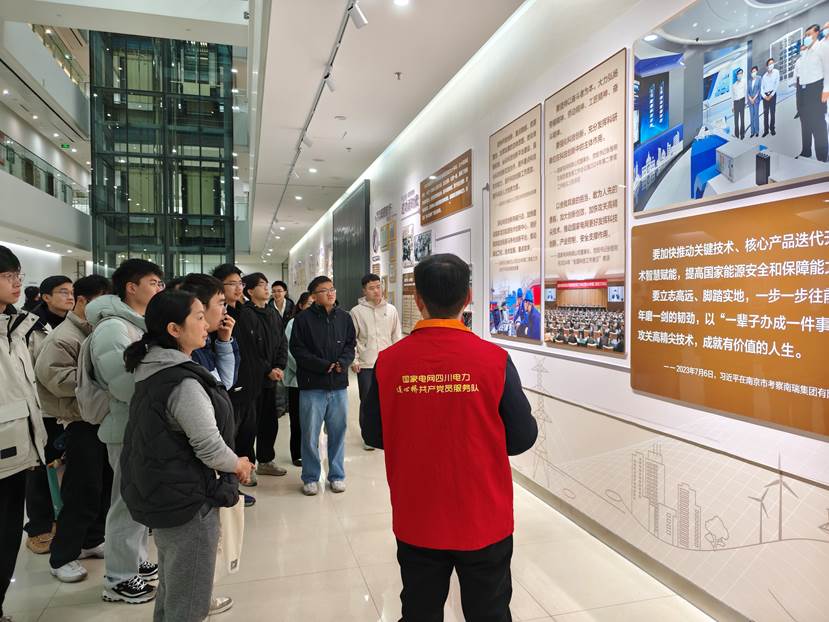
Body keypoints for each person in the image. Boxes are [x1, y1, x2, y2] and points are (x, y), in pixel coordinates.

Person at [361, 253, 537, 621]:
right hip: (483, 514)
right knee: (489, 612)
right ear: (468, 297)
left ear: (418, 300)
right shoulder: (494, 360)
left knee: (420, 611)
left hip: (417, 514)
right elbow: (523, 437)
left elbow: (373, 433)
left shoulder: (389, 362)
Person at [120, 290, 253, 622]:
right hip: (188, 499)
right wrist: (237, 463)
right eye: (199, 317)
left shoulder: (154, 367)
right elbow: (208, 446)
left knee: (173, 587)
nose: (206, 324)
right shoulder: (182, 382)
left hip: (165, 491)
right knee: (189, 599)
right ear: (174, 329)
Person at [87, 259, 164, 604]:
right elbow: (124, 385)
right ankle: (118, 578)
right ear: (131, 288)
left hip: (138, 424)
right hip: (124, 427)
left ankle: (134, 558)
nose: (159, 288)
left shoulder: (137, 323)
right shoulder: (113, 328)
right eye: (153, 282)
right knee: (126, 502)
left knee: (138, 498)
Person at [34, 275, 113, 583]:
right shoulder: (64, 337)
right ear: (83, 302)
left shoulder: (93, 330)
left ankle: (91, 540)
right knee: (81, 491)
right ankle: (62, 555)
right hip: (79, 422)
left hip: (99, 419)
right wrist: (100, 378)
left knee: (102, 485)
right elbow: (53, 379)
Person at [178, 273, 239, 617]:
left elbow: (224, 382)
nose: (224, 311)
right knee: (194, 549)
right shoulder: (181, 366)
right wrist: (235, 463)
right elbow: (205, 441)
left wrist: (225, 341)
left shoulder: (201, 350)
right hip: (194, 472)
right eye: (220, 304)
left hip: (202, 468)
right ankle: (194, 604)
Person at [0, 246, 47, 621]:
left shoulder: (14, 327)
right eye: (7, 276)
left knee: (7, 535)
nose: (16, 283)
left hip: (17, 449)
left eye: (18, 275)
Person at [289, 275, 356, 496]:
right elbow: (297, 350)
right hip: (312, 386)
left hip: (338, 385)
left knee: (338, 432)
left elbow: (350, 344)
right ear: (314, 296)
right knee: (310, 434)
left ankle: (337, 475)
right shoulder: (303, 319)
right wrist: (322, 365)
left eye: (332, 289)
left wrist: (342, 363)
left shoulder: (344, 317)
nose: (330, 293)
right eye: (324, 290)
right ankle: (310, 476)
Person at [23, 275, 75, 555]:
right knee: (40, 467)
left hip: (69, 407)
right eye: (63, 292)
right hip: (41, 407)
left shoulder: (74, 323)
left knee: (68, 466)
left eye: (72, 291)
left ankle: (63, 519)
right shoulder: (30, 326)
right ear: (45, 297)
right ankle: (39, 526)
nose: (70, 297)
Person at [211, 264, 270, 507]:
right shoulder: (217, 317)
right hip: (230, 392)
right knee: (228, 444)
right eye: (232, 283)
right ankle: (227, 491)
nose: (238, 288)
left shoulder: (245, 312)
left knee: (246, 439)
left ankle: (237, 485)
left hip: (250, 390)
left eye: (240, 283)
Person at [242, 273, 288, 479]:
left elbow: (282, 342)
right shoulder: (245, 314)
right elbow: (248, 349)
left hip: (271, 380)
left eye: (267, 284)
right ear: (251, 291)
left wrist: (279, 366)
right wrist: (267, 369)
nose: (267, 288)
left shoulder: (272, 313)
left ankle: (266, 461)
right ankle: (248, 466)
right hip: (253, 380)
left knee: (270, 422)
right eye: (262, 285)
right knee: (249, 425)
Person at [350, 274, 402, 451]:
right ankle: (368, 436)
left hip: (387, 363)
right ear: (364, 291)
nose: (376, 291)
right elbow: (352, 339)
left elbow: (396, 336)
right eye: (371, 288)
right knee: (367, 400)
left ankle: (386, 432)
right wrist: (354, 359)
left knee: (388, 399)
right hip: (366, 364)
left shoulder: (391, 310)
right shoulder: (356, 312)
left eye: (378, 286)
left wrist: (398, 361)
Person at [283, 292, 312, 467]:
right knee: (297, 420)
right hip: (298, 380)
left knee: (313, 420)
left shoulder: (319, 323)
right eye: (309, 304)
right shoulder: (293, 324)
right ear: (301, 306)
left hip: (316, 380)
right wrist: (305, 369)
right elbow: (289, 352)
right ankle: (297, 453)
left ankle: (312, 451)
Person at [795, 25, 828, 162]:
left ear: (817, 33)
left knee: (818, 124)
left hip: (816, 89)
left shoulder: (822, 48)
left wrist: (826, 89)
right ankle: (806, 151)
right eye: (806, 35)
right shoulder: (807, 52)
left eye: (809, 34)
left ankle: (822, 156)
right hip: (804, 90)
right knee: (805, 122)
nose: (807, 37)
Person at [761, 58, 780, 137]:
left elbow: (776, 84)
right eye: (769, 64)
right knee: (765, 114)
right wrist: (765, 96)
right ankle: (766, 130)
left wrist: (771, 95)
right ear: (767, 66)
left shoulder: (776, 72)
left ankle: (772, 129)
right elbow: (761, 88)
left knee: (772, 113)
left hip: (772, 95)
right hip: (765, 96)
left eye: (772, 63)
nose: (771, 65)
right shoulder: (764, 76)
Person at [747, 66, 762, 138]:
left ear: (756, 71)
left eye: (754, 71)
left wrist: (755, 98)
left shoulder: (759, 78)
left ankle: (757, 131)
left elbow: (759, 89)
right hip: (750, 101)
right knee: (751, 116)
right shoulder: (749, 81)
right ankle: (752, 132)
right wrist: (750, 98)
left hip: (756, 100)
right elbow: (747, 91)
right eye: (752, 72)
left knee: (756, 115)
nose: (753, 73)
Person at [731, 68, 746, 139]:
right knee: (736, 120)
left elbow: (745, 92)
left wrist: (745, 102)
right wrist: (732, 106)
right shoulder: (733, 85)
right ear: (736, 75)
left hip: (742, 101)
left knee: (742, 119)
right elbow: (732, 96)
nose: (740, 75)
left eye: (741, 73)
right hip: (736, 102)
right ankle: (736, 134)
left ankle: (742, 134)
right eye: (739, 73)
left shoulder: (744, 82)